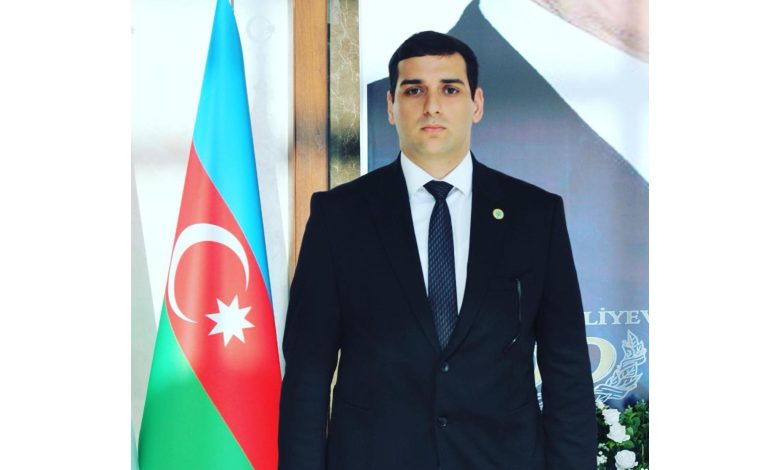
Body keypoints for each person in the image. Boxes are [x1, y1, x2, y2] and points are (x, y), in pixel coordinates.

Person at [279, 31, 596, 470]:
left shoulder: (535, 215)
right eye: (414, 90)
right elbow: (307, 375)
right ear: (391, 106)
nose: (432, 106)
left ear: (476, 104)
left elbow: (568, 370)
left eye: (450, 89)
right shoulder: (338, 216)